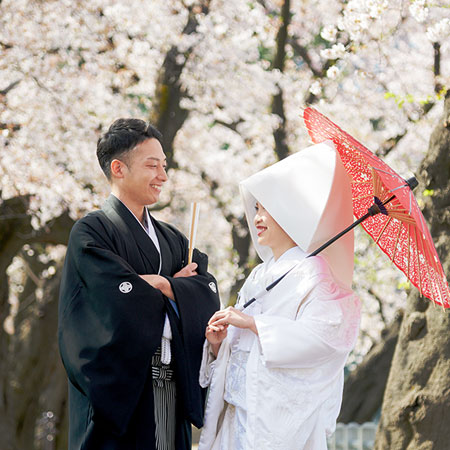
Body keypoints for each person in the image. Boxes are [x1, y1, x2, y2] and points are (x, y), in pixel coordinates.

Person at [58, 118, 220, 450]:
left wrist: (163, 286)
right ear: (118, 168)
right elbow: (111, 300)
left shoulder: (173, 239)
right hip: (118, 392)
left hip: (170, 383)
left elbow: (207, 291)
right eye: (152, 165)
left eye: (165, 166)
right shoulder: (91, 232)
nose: (163, 175)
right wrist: (172, 288)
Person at [198, 141, 361, 449]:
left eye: (267, 210)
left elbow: (327, 338)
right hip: (238, 415)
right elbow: (240, 347)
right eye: (256, 209)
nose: (257, 218)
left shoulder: (315, 272)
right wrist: (219, 345)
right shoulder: (261, 273)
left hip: (275, 420)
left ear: (290, 213)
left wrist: (255, 324)